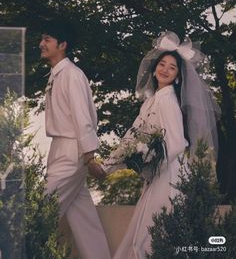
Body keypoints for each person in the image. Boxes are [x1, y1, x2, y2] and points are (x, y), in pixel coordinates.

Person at [99, 31, 220, 259]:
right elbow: (132, 137)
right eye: (162, 64)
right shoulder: (153, 100)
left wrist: (148, 161)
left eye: (172, 67)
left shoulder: (168, 101)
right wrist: (107, 167)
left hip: (170, 173)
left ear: (177, 76)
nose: (165, 69)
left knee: (151, 233)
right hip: (158, 174)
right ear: (154, 68)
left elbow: (175, 142)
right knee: (147, 231)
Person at [39, 18, 111, 259]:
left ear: (63, 45)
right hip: (61, 148)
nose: (41, 43)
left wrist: (89, 156)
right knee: (84, 219)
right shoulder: (56, 74)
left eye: (47, 39)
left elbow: (83, 117)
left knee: (41, 211)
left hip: (71, 151)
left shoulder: (72, 74)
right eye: (42, 38)